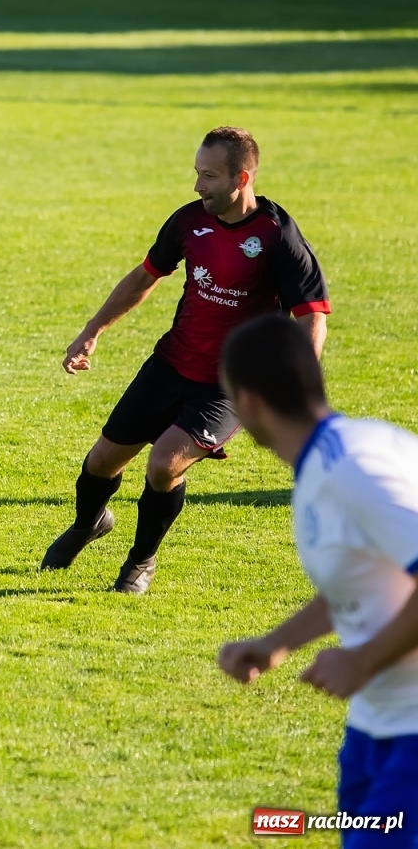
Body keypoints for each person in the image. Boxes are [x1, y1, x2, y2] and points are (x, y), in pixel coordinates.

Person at [44, 126, 331, 594]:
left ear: (241, 178)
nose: (198, 186)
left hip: (230, 384)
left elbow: (312, 316)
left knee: (163, 464)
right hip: (171, 363)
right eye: (197, 173)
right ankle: (90, 523)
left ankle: (140, 562)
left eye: (209, 176)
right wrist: (91, 331)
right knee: (100, 463)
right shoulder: (188, 222)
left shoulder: (277, 235)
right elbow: (145, 276)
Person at [217, 316, 418, 840]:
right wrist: (276, 644)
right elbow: (362, 578)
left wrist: (362, 659)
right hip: (378, 725)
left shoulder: (355, 469)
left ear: (250, 402)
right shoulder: (325, 463)